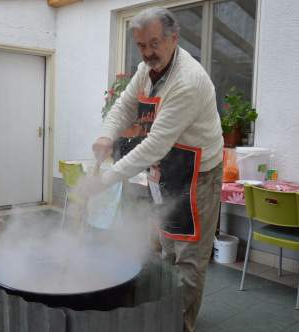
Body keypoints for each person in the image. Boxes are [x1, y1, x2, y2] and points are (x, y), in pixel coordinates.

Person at [87, 7, 223, 332]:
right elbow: (124, 106)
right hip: (167, 169)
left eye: (154, 43)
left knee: (189, 257)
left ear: (174, 38)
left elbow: (155, 144)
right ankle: (163, 312)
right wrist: (107, 135)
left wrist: (105, 179)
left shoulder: (187, 82)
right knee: (165, 245)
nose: (148, 52)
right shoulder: (145, 72)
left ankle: (180, 325)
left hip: (198, 173)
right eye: (141, 45)